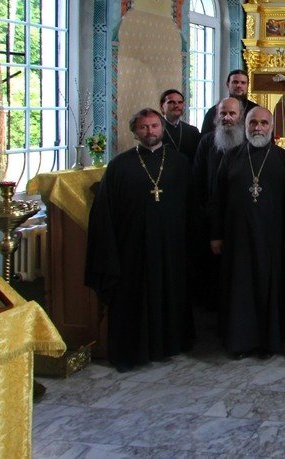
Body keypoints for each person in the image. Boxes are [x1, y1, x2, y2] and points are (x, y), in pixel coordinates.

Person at [85, 109, 193, 372]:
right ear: (135, 131)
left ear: (162, 128)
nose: (150, 132)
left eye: (154, 126)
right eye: (144, 127)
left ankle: (168, 345)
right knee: (135, 297)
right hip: (133, 248)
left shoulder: (180, 163)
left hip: (170, 247)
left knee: (169, 293)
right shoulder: (120, 165)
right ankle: (135, 350)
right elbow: (104, 212)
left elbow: (192, 206)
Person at [211, 106, 285, 359]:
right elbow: (217, 198)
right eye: (253, 123)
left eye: (263, 123)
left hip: (273, 239)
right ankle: (240, 342)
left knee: (269, 288)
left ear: (271, 127)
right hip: (237, 237)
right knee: (240, 289)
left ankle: (269, 342)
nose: (258, 128)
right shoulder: (231, 157)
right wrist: (216, 234)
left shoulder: (284, 159)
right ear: (245, 125)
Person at [191, 97, 244, 311]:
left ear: (240, 116)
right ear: (216, 116)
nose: (227, 118)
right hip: (212, 216)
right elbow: (198, 179)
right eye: (223, 113)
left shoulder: (249, 140)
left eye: (232, 113)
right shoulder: (207, 142)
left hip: (241, 217)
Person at [200, 70, 259, 135]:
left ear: (247, 85)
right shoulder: (214, 111)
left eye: (243, 83)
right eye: (235, 82)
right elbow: (205, 138)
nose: (239, 85)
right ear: (228, 84)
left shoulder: (256, 111)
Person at [159, 89, 200, 163]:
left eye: (180, 102)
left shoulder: (193, 131)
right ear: (162, 107)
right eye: (171, 102)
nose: (176, 106)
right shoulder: (155, 131)